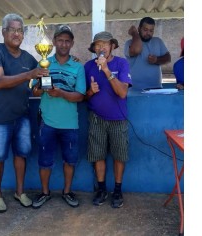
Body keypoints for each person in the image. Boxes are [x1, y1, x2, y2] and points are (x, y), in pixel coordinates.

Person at [0, 13, 49, 213]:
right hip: (0, 118)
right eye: (13, 29)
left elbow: (33, 88)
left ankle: (20, 192)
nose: (17, 34)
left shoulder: (29, 58)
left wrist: (43, 83)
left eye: (20, 30)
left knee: (21, 155)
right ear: (4, 32)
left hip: (22, 117)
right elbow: (0, 81)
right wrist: (30, 74)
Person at [31, 24, 86, 208]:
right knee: (44, 161)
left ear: (72, 43)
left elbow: (80, 96)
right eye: (60, 40)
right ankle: (45, 193)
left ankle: (67, 192)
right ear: (53, 42)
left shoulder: (78, 67)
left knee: (70, 161)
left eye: (67, 41)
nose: (63, 44)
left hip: (70, 124)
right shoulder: (43, 63)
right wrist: (39, 87)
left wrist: (61, 93)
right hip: (47, 122)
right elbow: (35, 92)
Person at [84, 31, 132, 208]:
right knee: (98, 156)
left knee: (119, 156)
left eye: (105, 44)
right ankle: (102, 189)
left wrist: (106, 70)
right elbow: (83, 96)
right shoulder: (88, 66)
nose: (101, 47)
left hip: (118, 120)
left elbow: (122, 92)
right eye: (98, 44)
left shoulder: (121, 63)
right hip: (96, 119)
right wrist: (91, 91)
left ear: (112, 46)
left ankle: (117, 190)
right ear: (94, 48)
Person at [124, 16, 171, 90]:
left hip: (156, 87)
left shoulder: (158, 41)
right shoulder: (129, 43)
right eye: (145, 30)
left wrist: (157, 60)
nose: (148, 33)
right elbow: (136, 50)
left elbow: (168, 58)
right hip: (136, 89)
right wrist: (135, 34)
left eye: (151, 30)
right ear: (139, 29)